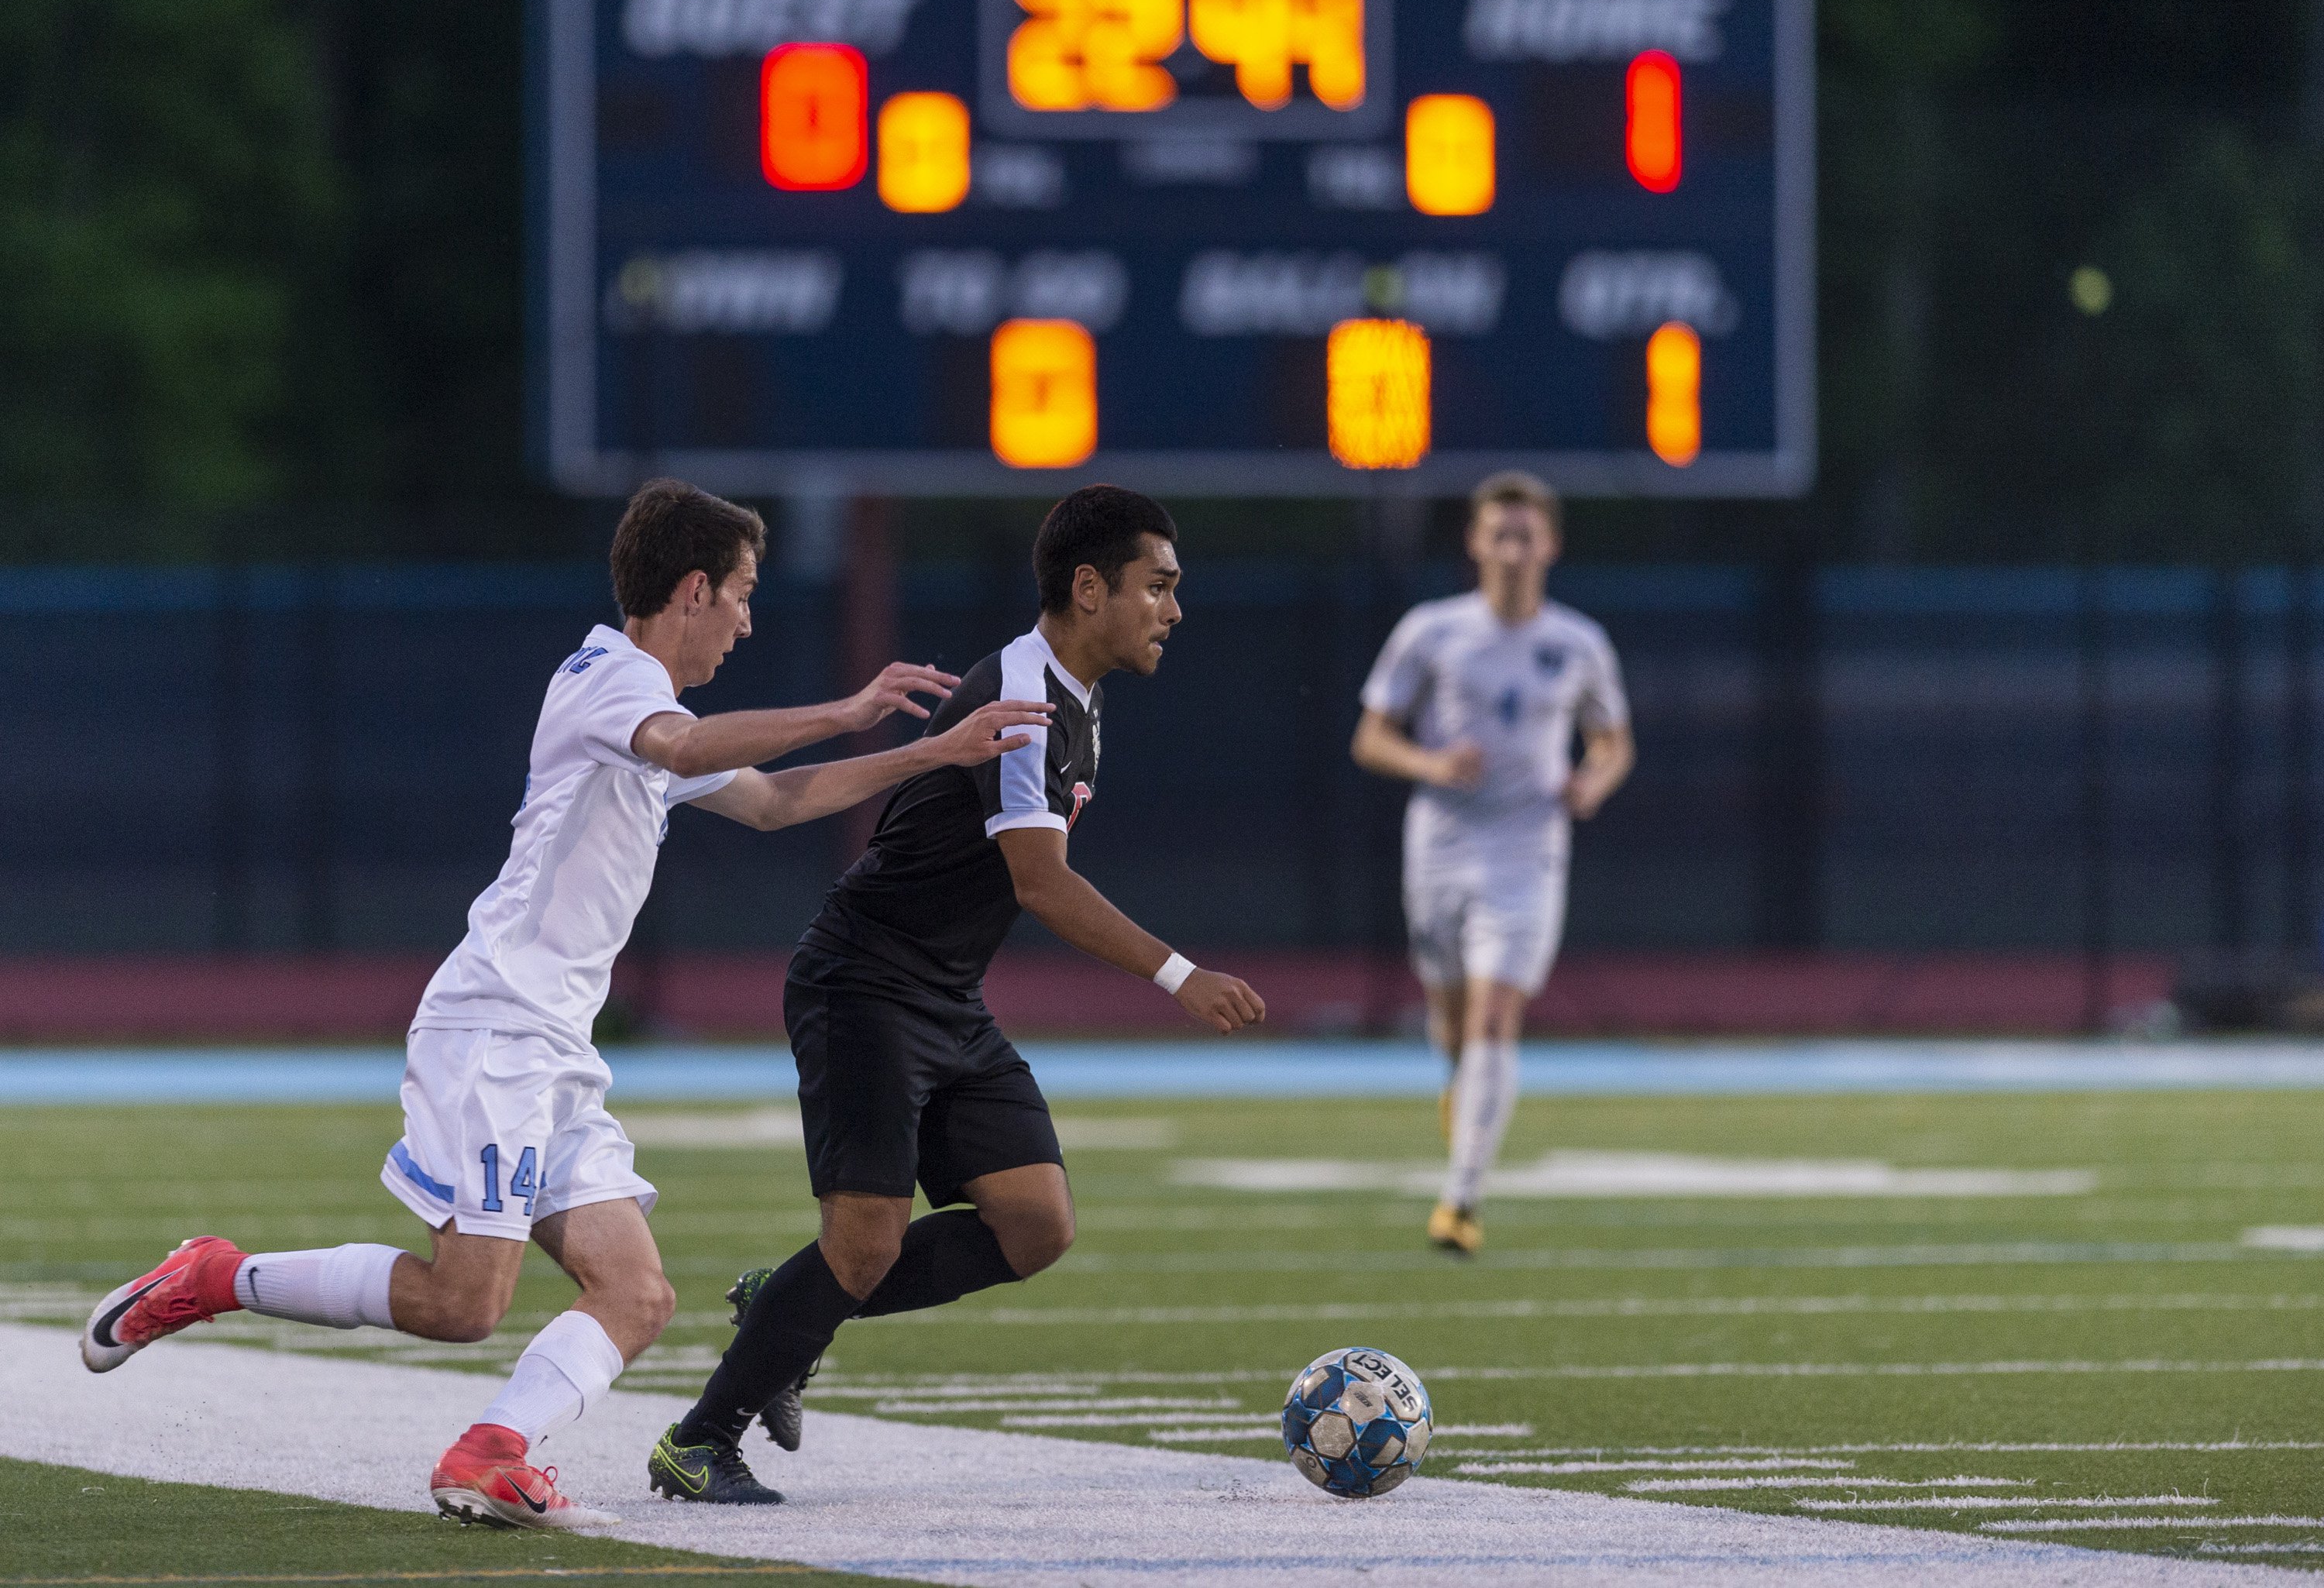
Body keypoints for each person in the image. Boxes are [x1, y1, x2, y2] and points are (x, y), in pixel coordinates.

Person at [78, 478, 1048, 1530]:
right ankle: (217, 1276)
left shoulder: (647, 703)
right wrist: (846, 708)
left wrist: (925, 752)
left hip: (554, 1047)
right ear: (692, 589)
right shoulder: (608, 679)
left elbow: (770, 803)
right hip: (495, 1028)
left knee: (638, 1295)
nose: (748, 617)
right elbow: (684, 749)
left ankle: (490, 1450)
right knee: (465, 1301)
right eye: (741, 592)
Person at [648, 483, 1265, 1506]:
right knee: (865, 1240)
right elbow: (1039, 880)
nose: (1174, 609)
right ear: (1087, 586)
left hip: (944, 994)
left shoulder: (1079, 697)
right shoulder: (1021, 696)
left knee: (1036, 1224)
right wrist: (1179, 974)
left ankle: (786, 1305)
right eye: (1157, 586)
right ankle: (701, 1437)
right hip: (866, 982)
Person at [1351, 472, 1633, 1256]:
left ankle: (1461, 1199)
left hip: (1527, 850)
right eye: (1499, 535)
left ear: (1551, 544)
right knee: (1451, 1017)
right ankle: (1463, 1093)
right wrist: (1432, 764)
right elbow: (1370, 737)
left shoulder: (1579, 644)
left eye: (1527, 535)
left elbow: (1613, 740)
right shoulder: (1431, 631)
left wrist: (1592, 782)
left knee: (1494, 1014)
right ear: (1475, 542)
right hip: (1441, 846)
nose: (1513, 550)